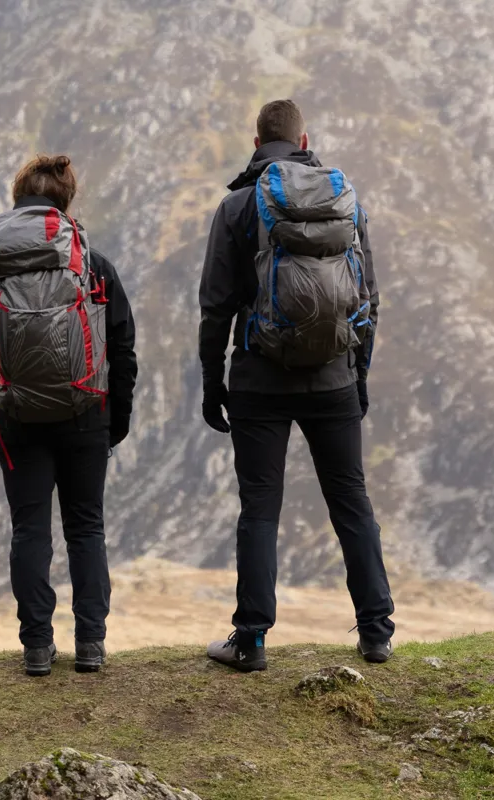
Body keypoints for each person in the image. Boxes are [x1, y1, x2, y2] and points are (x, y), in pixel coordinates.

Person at [199, 99, 395, 672]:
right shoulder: (343, 199)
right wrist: (357, 377)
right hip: (333, 378)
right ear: (304, 137)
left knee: (260, 507)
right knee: (351, 501)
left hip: (259, 378)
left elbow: (215, 308)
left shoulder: (237, 205)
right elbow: (369, 299)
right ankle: (377, 632)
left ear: (257, 141)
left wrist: (214, 384)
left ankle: (252, 640)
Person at [0, 154, 137, 677]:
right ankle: (91, 646)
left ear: (19, 203)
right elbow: (122, 349)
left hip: (15, 419)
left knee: (29, 530)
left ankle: (37, 647)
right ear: (66, 201)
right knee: (86, 528)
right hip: (88, 413)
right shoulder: (92, 265)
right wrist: (116, 418)